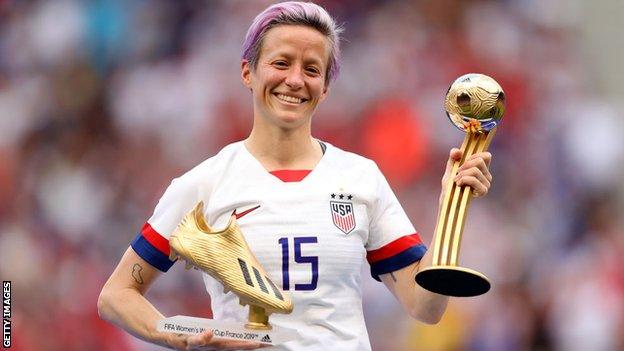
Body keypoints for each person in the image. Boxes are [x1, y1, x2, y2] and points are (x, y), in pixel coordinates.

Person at [97, 1, 494, 350]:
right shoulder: (204, 184)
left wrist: (450, 207)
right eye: (281, 63)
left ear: (324, 89)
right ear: (248, 72)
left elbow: (425, 307)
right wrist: (173, 332)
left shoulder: (360, 178)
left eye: (312, 69)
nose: (295, 80)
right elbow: (116, 294)